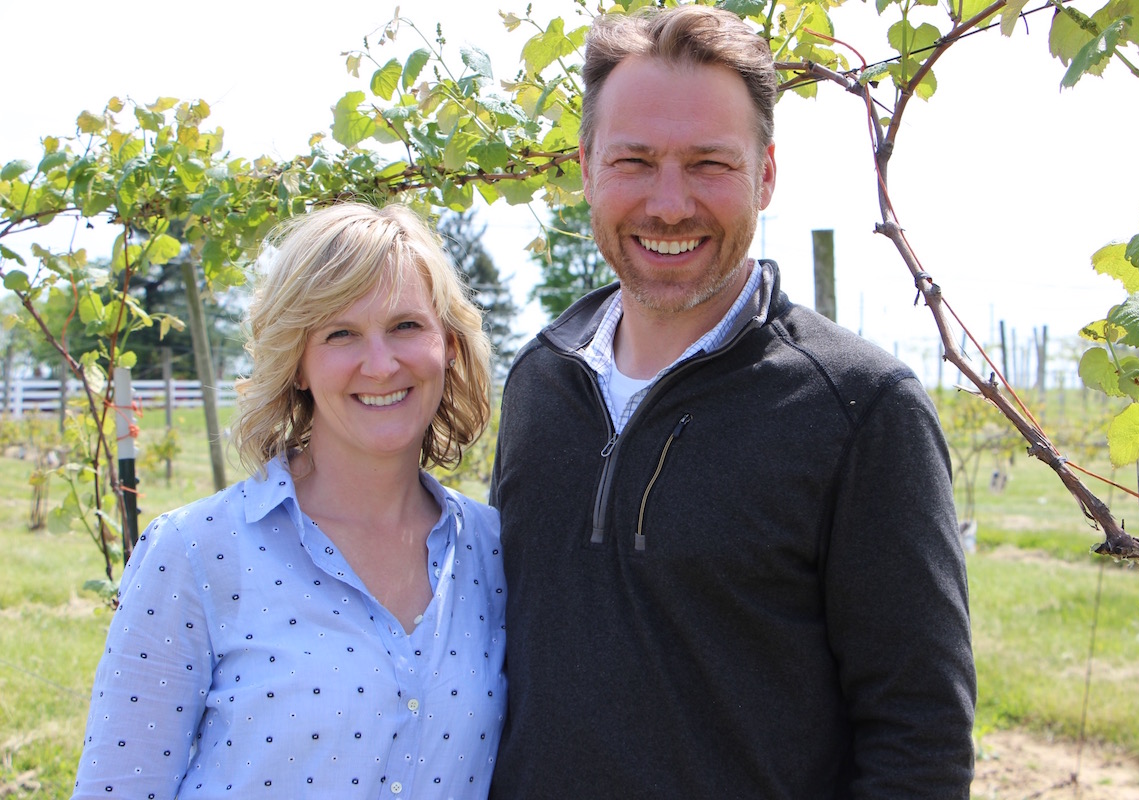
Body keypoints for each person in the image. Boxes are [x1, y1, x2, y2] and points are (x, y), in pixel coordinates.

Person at [488, 5, 975, 798]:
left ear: (766, 174)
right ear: (585, 168)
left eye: (709, 164)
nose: (670, 204)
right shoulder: (541, 381)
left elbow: (919, 739)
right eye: (634, 160)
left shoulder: (860, 412)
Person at [73, 202, 506, 799]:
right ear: (297, 363)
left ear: (449, 346)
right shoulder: (197, 553)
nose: (380, 364)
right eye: (340, 333)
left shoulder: (494, 553)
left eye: (406, 326)